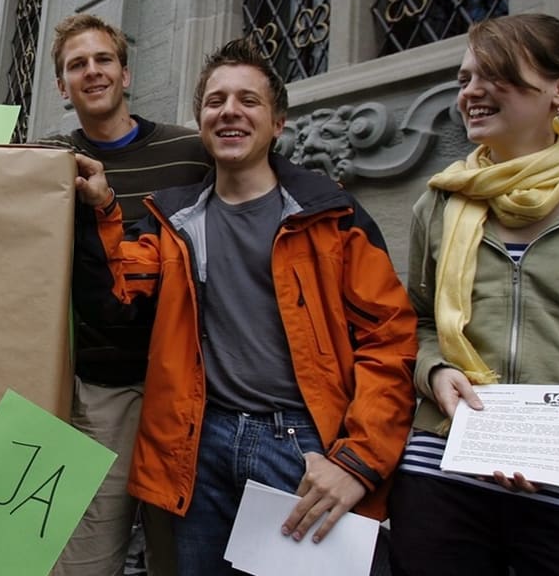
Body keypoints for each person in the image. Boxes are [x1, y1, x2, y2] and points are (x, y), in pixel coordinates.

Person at [72, 36, 418, 574]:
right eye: (215, 101)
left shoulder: (331, 215)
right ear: (201, 121)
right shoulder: (171, 220)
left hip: (303, 447)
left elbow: (390, 339)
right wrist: (102, 207)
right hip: (201, 444)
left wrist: (358, 461)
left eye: (248, 101)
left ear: (278, 123)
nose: (229, 111)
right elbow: (118, 290)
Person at [389, 13, 559, 576]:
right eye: (463, 79)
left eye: (493, 74)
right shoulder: (440, 204)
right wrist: (433, 372)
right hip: (442, 463)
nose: (471, 92)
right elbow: (419, 321)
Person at [42, 13, 211, 576]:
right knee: (85, 558)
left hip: (185, 390)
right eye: (76, 65)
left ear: (126, 73)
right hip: (95, 390)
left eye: (102, 59)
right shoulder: (46, 163)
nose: (92, 72)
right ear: (61, 87)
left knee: (178, 557)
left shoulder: (191, 152)